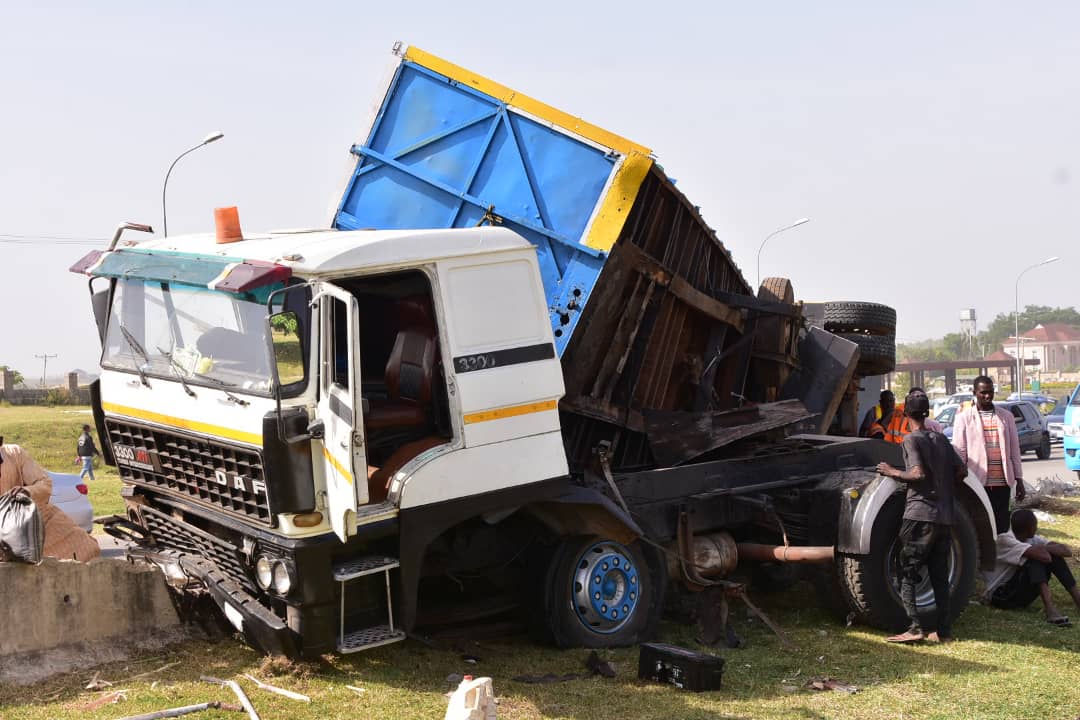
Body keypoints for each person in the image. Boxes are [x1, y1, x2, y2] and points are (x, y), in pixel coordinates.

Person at [875, 389, 966, 643]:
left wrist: (891, 471)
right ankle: (944, 632)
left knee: (907, 571)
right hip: (945, 517)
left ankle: (915, 628)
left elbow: (916, 474)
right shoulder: (940, 439)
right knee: (938, 575)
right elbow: (962, 471)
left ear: (905, 413)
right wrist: (943, 487)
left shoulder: (911, 440)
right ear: (927, 413)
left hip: (920, 515)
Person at [0, 441, 100, 561]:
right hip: (7, 536)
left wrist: (27, 491)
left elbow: (44, 483)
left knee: (85, 545)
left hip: (31, 523)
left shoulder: (14, 453)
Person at [951, 375, 1025, 534]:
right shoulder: (964, 418)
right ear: (974, 392)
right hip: (977, 482)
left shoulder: (1006, 417)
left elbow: (1014, 450)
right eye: (983, 392)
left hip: (1003, 482)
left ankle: (1001, 556)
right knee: (980, 523)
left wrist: (1019, 480)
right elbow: (959, 451)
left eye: (990, 392)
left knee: (1002, 525)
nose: (987, 396)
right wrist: (959, 480)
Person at [984, 509, 1079, 626]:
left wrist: (1041, 548)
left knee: (1052, 556)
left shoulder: (1031, 539)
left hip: (1018, 593)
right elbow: (1045, 557)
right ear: (1029, 528)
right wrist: (1040, 549)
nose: (1037, 528)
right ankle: (1050, 609)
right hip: (1000, 596)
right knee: (1035, 559)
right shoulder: (1005, 540)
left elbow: (1066, 551)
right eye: (1035, 525)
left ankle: (1078, 600)